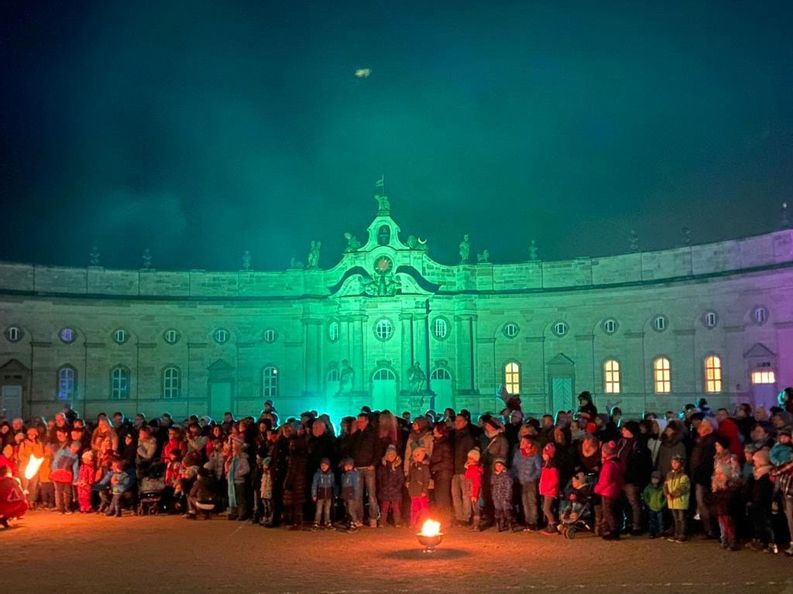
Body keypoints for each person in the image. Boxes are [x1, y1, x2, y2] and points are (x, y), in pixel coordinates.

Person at [594, 440, 624, 540]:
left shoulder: (608, 465)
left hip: (608, 491)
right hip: (616, 490)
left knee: (607, 512)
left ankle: (613, 530)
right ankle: (613, 529)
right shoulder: (618, 463)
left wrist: (597, 489)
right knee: (612, 511)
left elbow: (605, 480)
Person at [511, 437, 541, 531]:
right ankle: (527, 521)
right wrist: (514, 476)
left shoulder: (535, 455)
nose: (521, 443)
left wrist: (532, 477)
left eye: (524, 442)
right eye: (521, 441)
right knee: (524, 502)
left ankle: (533, 522)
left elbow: (539, 469)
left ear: (529, 444)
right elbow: (514, 466)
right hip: (521, 481)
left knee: (531, 501)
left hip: (530, 482)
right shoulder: (518, 454)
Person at [451, 414, 475, 526]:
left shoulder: (468, 437)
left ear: (465, 422)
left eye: (460, 421)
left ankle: (466, 517)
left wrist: (467, 467)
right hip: (454, 470)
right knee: (455, 495)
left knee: (465, 495)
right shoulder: (453, 436)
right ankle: (459, 516)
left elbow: (470, 454)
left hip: (464, 470)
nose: (457, 423)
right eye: (456, 421)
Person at [429, 422, 453, 521]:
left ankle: (446, 519)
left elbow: (447, 462)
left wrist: (434, 467)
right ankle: (442, 518)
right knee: (439, 497)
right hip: (439, 474)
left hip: (443, 474)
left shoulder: (444, 445)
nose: (433, 431)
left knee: (443, 497)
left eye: (435, 429)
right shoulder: (438, 443)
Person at [664, 454, 690, 543]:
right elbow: (665, 486)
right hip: (672, 501)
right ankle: (676, 534)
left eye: (676, 462)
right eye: (672, 462)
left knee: (681, 518)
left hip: (680, 501)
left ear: (680, 463)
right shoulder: (669, 474)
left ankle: (682, 534)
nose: (674, 464)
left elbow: (683, 487)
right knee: (675, 519)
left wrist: (672, 494)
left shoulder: (684, 475)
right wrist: (667, 494)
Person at [377, 444, 404, 528]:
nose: (391, 456)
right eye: (389, 454)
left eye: (393, 455)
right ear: (386, 456)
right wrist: (382, 487)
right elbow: (379, 478)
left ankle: (397, 522)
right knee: (384, 507)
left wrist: (396, 488)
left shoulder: (398, 467)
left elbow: (401, 479)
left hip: (395, 492)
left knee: (396, 507)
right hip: (385, 491)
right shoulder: (383, 467)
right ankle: (382, 522)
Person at [51, 440, 80, 514]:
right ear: (71, 446)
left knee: (68, 492)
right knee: (59, 492)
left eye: (77, 448)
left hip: (67, 474)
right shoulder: (62, 451)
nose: (75, 449)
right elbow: (55, 461)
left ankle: (67, 507)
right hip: (58, 473)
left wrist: (75, 478)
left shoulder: (75, 456)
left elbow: (75, 468)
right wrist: (55, 471)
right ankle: (61, 509)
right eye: (74, 447)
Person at [225, 438, 251, 522]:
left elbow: (246, 469)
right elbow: (230, 468)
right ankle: (234, 513)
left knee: (240, 499)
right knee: (233, 497)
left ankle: (242, 513)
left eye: (234, 446)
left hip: (239, 481)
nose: (233, 448)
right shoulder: (233, 458)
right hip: (232, 481)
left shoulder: (242, 458)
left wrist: (237, 474)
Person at [406, 446, 431, 529]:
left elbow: (426, 480)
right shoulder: (412, 466)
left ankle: (424, 523)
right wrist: (408, 482)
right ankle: (413, 523)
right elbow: (409, 476)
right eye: (414, 456)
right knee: (414, 508)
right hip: (413, 491)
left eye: (418, 455)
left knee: (424, 509)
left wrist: (424, 491)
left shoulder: (425, 467)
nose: (416, 457)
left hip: (421, 491)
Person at [539, 443, 560, 535]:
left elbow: (555, 480)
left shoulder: (552, 466)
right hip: (547, 490)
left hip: (550, 491)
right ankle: (550, 525)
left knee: (546, 509)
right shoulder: (546, 465)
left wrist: (548, 488)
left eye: (545, 454)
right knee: (547, 509)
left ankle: (553, 525)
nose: (543, 456)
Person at [641, 470, 666, 539]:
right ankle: (652, 533)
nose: (655, 480)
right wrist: (648, 503)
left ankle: (661, 532)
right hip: (651, 507)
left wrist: (663, 504)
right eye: (653, 478)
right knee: (652, 521)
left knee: (661, 521)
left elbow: (666, 497)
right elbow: (645, 496)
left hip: (660, 507)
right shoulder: (648, 488)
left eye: (657, 478)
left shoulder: (662, 488)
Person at [491, 458, 513, 532]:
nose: (498, 467)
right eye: (497, 465)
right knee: (497, 511)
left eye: (500, 465)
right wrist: (493, 496)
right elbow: (492, 486)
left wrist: (507, 497)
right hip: (496, 496)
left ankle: (510, 525)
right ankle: (498, 525)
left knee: (507, 511)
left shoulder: (506, 476)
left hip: (504, 497)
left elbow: (509, 487)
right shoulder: (493, 476)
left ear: (503, 466)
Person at [340, 458, 362, 530]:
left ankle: (354, 522)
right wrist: (342, 494)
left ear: (352, 466)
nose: (348, 467)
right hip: (346, 495)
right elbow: (343, 486)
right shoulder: (344, 475)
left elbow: (356, 486)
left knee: (351, 510)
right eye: (346, 466)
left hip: (351, 495)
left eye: (349, 466)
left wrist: (356, 496)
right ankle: (350, 522)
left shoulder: (354, 474)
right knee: (347, 510)